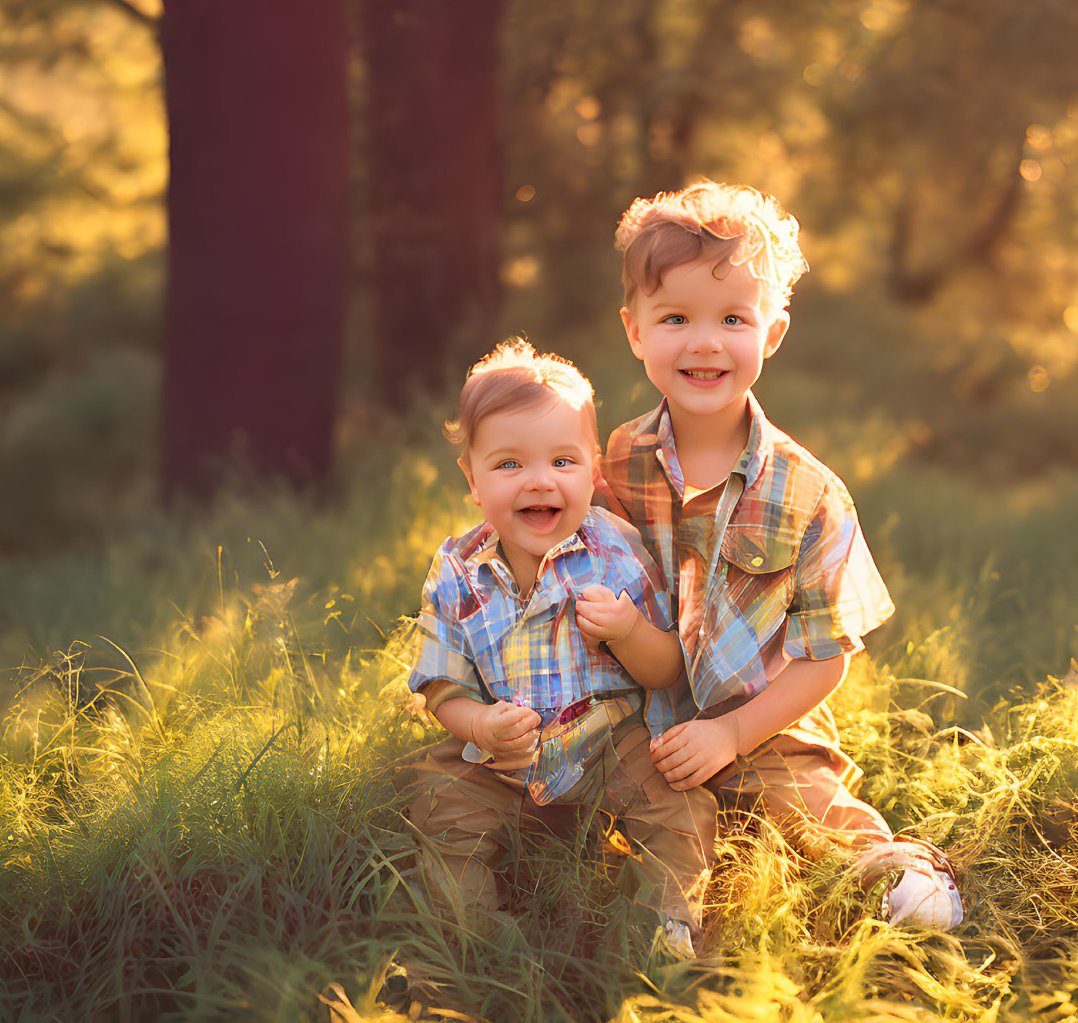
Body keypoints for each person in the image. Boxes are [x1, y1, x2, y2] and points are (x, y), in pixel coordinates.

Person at [600, 181, 962, 929]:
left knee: (802, 810)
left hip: (763, 725)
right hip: (643, 720)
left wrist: (731, 734)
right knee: (618, 810)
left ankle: (896, 871)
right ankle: (667, 913)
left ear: (771, 333)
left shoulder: (808, 494)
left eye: (732, 319)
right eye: (675, 318)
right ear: (635, 331)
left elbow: (825, 658)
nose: (704, 342)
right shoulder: (619, 460)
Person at [404, 339, 715, 957]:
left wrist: (627, 632)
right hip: (504, 755)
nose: (540, 481)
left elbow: (665, 670)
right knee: (437, 802)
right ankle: (479, 937)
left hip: (611, 742)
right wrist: (481, 725)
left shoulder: (614, 551)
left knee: (677, 803)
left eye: (563, 462)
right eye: (510, 465)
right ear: (472, 479)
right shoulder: (457, 569)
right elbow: (441, 682)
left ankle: (665, 927)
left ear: (593, 469)